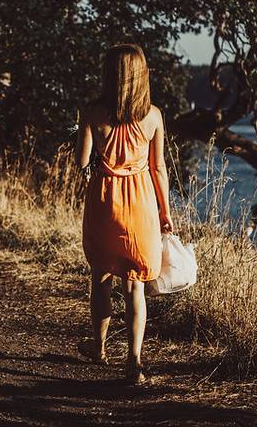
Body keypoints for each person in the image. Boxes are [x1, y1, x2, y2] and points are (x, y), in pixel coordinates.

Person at [75, 43, 175, 384]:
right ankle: (134, 361)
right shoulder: (154, 116)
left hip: (104, 200)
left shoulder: (92, 112)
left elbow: (82, 162)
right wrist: (166, 211)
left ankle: (99, 347)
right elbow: (158, 168)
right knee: (135, 286)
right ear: (141, 75)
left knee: (101, 277)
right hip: (141, 202)